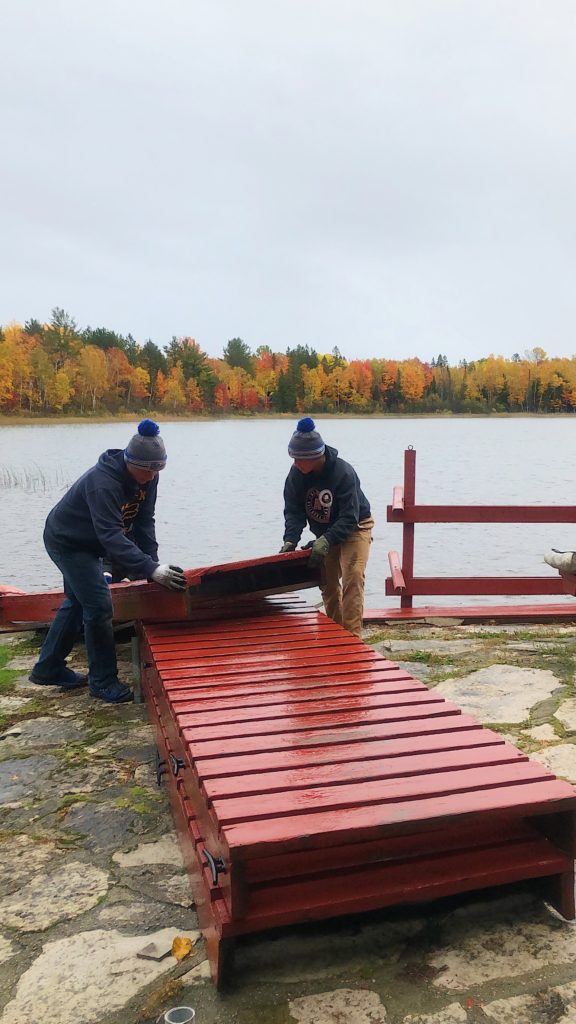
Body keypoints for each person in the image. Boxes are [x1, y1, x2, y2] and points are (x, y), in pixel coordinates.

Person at [29, 419, 186, 704]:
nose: (152, 477)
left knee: (78, 601)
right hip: (68, 542)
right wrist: (150, 568)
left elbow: (143, 522)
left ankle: (47, 668)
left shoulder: (146, 475)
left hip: (91, 541)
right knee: (99, 606)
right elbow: (111, 536)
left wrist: (154, 565)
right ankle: (102, 681)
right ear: (130, 461)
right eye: (148, 470)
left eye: (158, 470)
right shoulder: (104, 484)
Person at [280, 417, 374, 638]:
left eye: (298, 459)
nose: (294, 463)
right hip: (326, 533)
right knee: (327, 582)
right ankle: (335, 633)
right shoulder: (295, 476)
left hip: (356, 527)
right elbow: (294, 512)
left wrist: (326, 540)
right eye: (292, 457)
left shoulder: (343, 473)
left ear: (313, 457)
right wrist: (290, 540)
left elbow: (349, 516)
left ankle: (351, 638)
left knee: (353, 577)